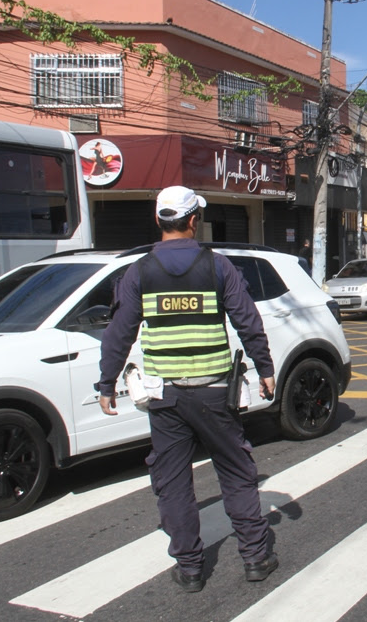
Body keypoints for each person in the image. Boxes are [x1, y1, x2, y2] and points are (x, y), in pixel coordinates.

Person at [97, 185, 278, 593]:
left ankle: (190, 567)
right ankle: (254, 557)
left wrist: (106, 382)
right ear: (194, 220)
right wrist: (264, 367)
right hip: (216, 391)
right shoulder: (218, 266)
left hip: (165, 396)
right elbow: (247, 320)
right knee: (236, 472)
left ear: (159, 221)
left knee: (173, 480)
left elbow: (119, 332)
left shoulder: (138, 271)